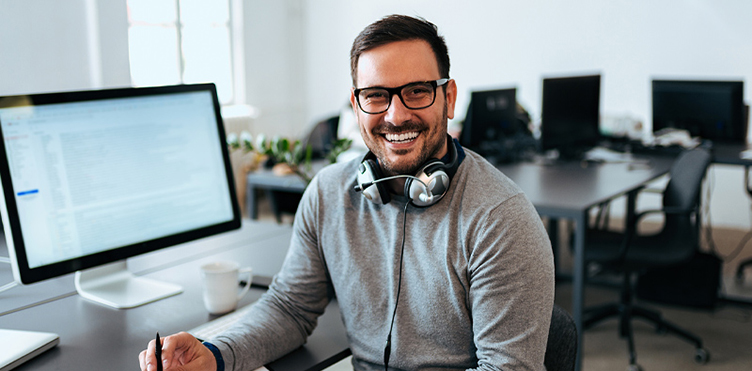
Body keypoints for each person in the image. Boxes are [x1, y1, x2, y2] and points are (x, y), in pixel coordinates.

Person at [139, 14, 554, 371]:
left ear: (448, 97)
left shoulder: (500, 218)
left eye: (417, 91)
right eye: (376, 95)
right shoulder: (328, 193)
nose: (396, 115)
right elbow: (290, 309)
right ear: (356, 107)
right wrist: (215, 354)